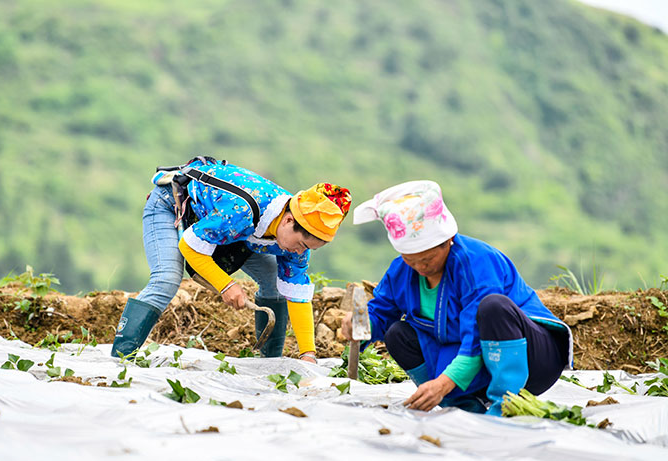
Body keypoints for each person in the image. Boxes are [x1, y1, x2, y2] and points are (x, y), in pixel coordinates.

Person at [341, 181, 572, 415]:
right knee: (398, 335)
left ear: (447, 241)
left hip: (531, 359)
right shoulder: (401, 271)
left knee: (493, 307)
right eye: (411, 260)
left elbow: (475, 336)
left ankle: (505, 407)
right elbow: (381, 311)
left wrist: (443, 383)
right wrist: (361, 324)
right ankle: (459, 408)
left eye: (427, 259)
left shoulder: (476, 263)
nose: (420, 267)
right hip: (472, 364)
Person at [112, 155, 351, 363]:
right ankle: (121, 360)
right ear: (288, 221)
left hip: (225, 227)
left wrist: (307, 354)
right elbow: (190, 246)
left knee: (273, 280)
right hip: (172, 204)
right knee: (167, 279)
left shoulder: (296, 237)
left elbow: (297, 291)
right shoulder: (242, 211)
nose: (300, 252)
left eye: (308, 249)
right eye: (300, 245)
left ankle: (268, 364)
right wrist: (226, 285)